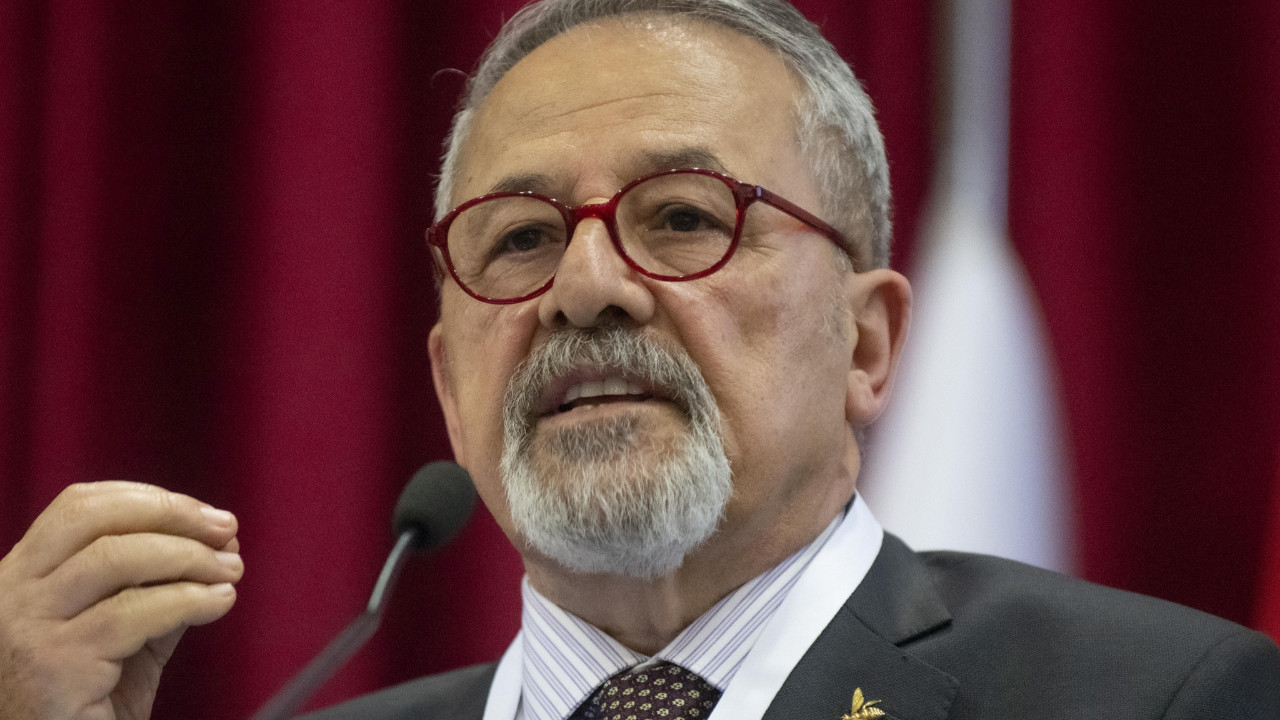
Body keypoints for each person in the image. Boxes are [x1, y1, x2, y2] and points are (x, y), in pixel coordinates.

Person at [2, 0, 1278, 719]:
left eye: (680, 217)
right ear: (449, 385)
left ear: (866, 341)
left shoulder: (1157, 702)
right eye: (519, 238)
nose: (585, 288)